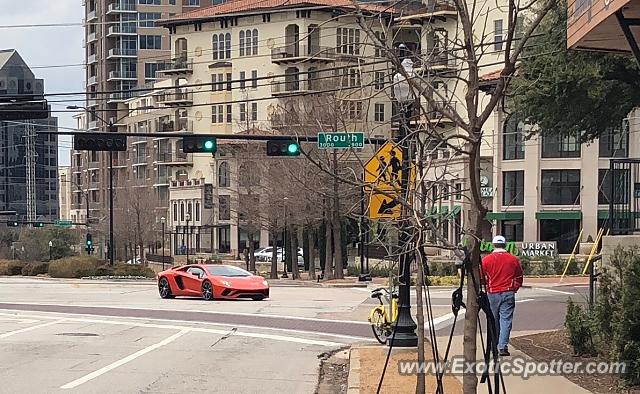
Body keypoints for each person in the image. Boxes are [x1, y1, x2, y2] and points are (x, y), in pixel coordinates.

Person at [481, 235, 523, 356]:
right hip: (508, 291)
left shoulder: (486, 260)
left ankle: (493, 344)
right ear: (505, 245)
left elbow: (481, 276)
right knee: (506, 320)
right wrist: (515, 287)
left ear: (493, 245)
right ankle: (503, 346)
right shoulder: (513, 259)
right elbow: (519, 276)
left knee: (493, 319)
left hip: (493, 292)